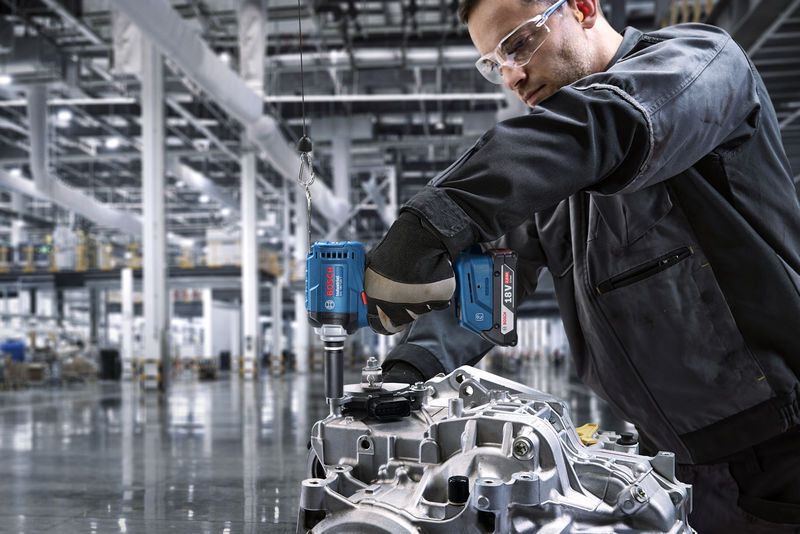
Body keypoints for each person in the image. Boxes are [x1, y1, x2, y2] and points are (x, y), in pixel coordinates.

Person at [362, 0, 800, 531]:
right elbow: (488, 286)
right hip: (672, 460)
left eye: (519, 45)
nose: (512, 77)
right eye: (493, 64)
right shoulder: (559, 183)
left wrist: (438, 214)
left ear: (584, 8)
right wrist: (408, 371)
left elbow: (608, 121)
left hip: (780, 451)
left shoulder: (700, 64)